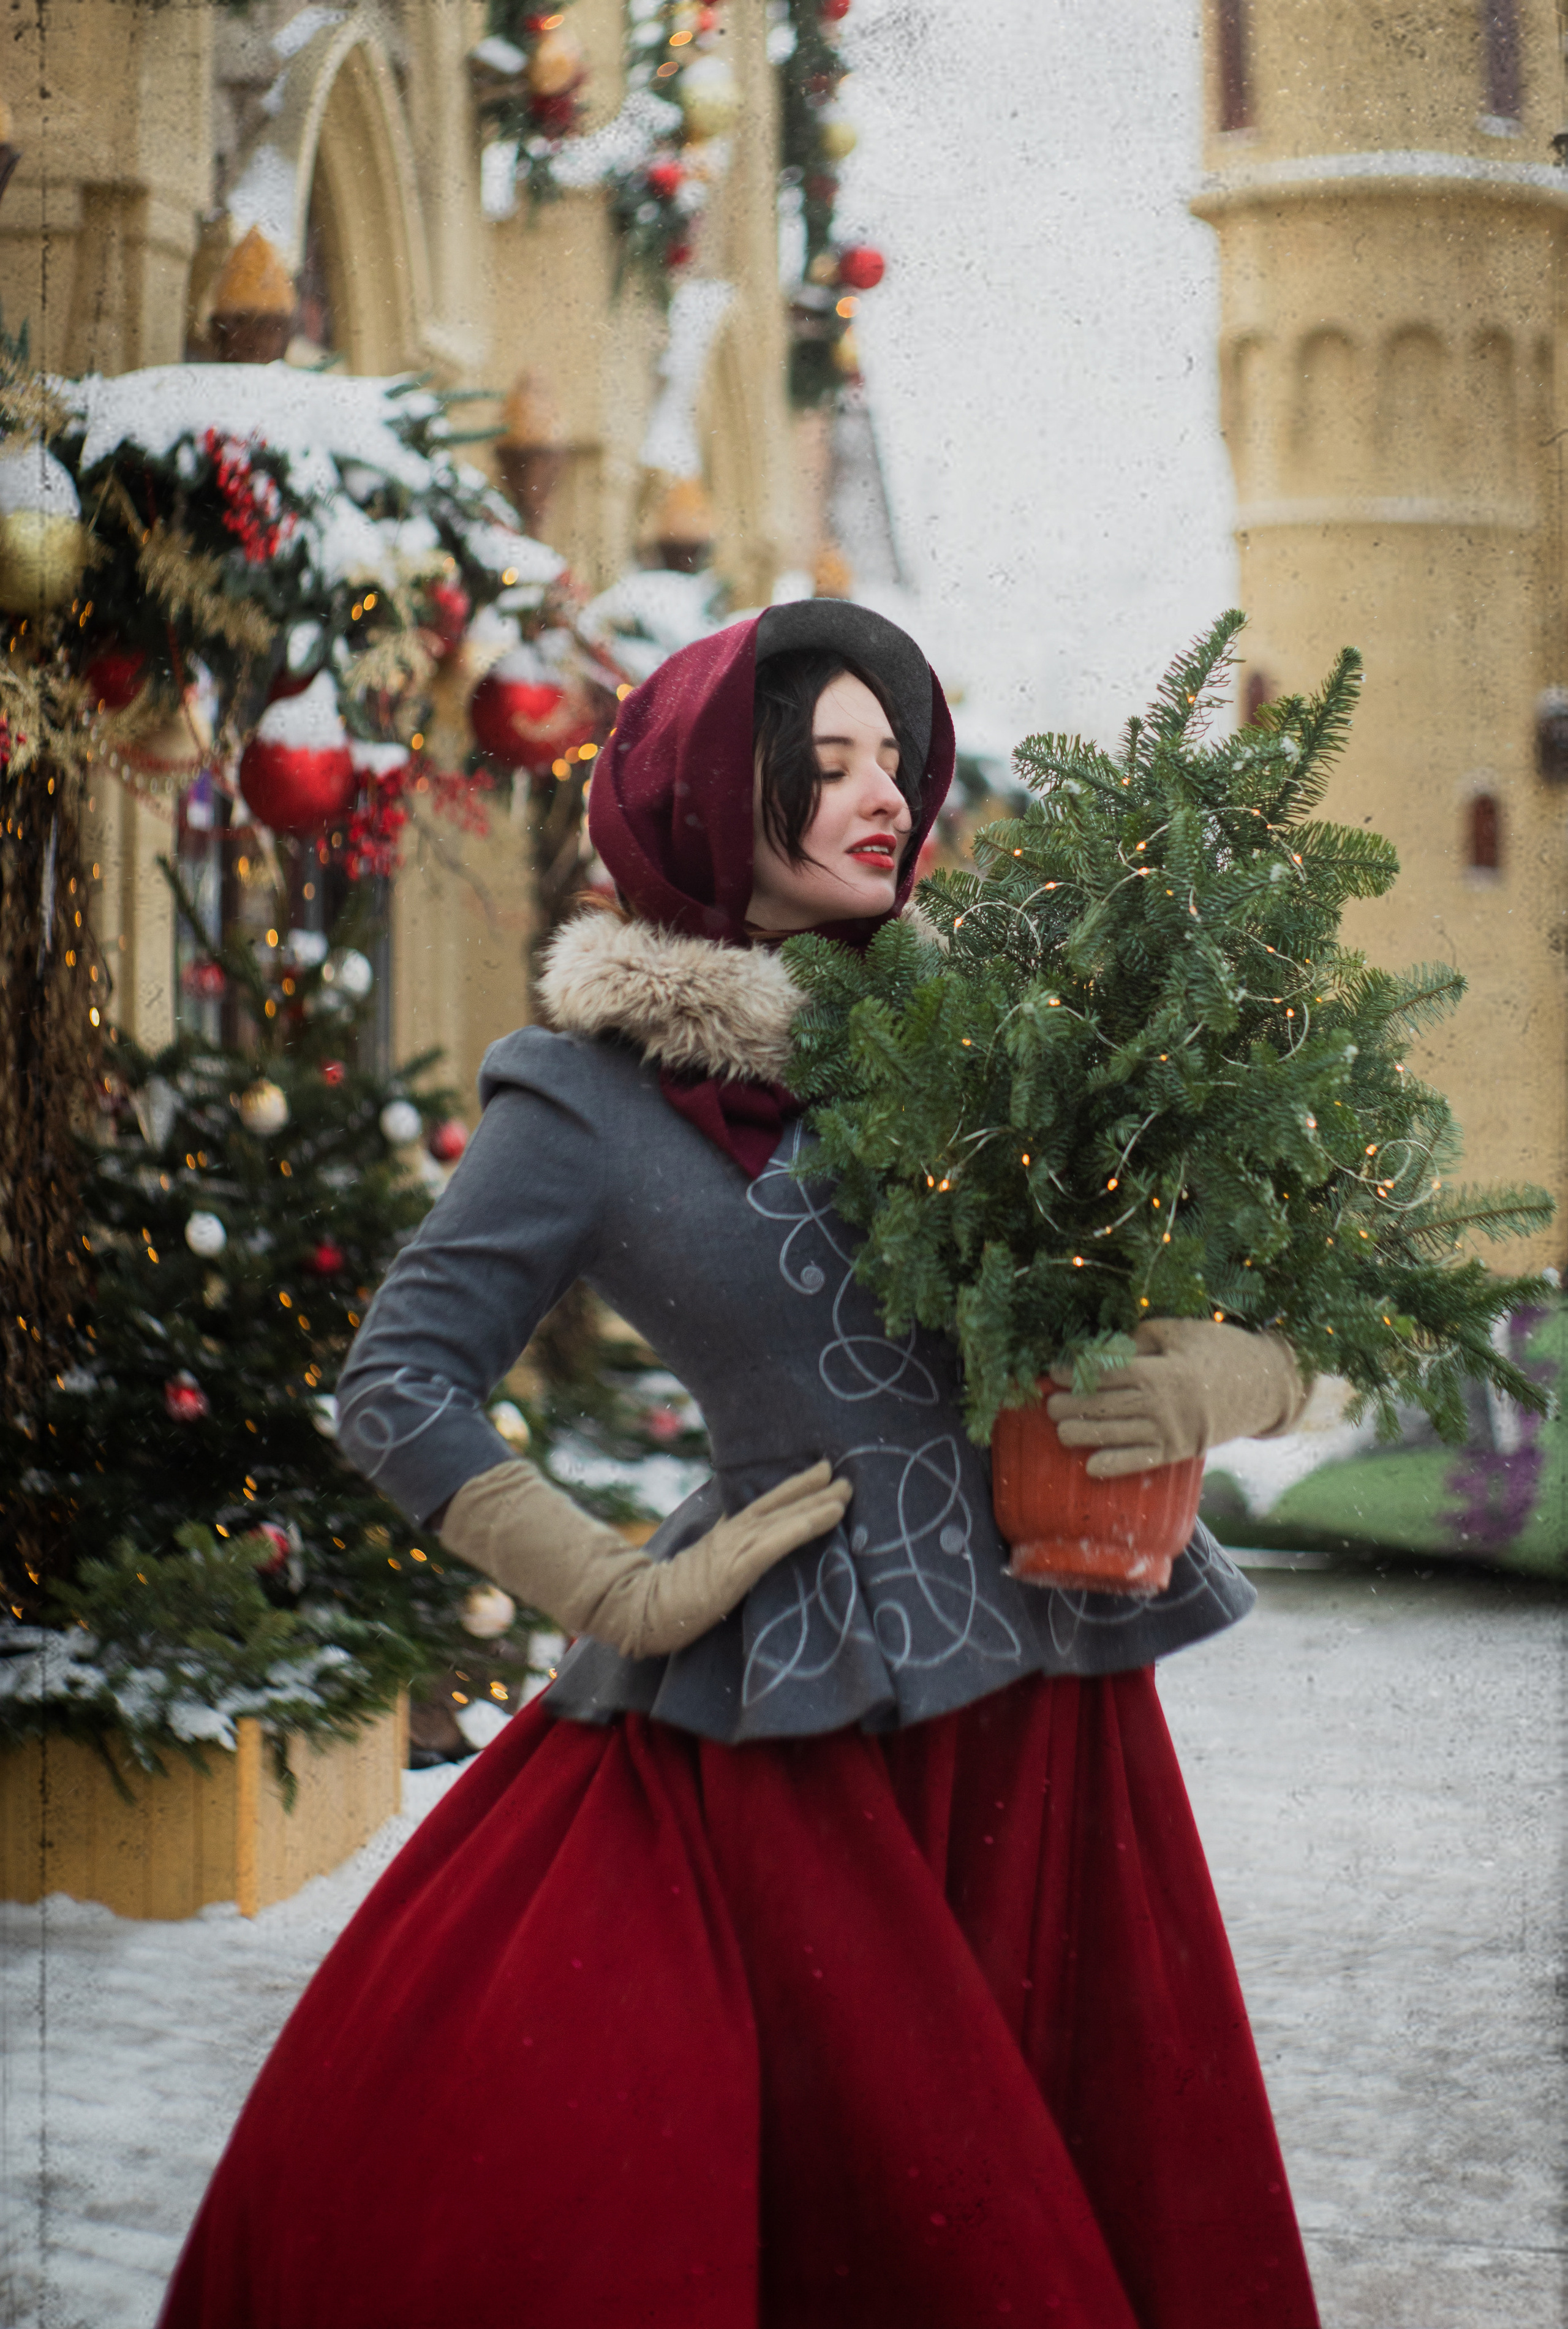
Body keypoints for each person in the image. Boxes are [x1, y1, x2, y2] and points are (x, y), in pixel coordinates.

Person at [157, 601, 1319, 2329]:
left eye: (894, 760)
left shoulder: (1016, 1039)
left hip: (1058, 1699)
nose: (884, 794)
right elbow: (399, 1381)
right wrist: (617, 1582)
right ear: (712, 792)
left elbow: (1251, 1244)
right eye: (826, 759)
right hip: (797, 1724)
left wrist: (1252, 1369)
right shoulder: (589, 1095)